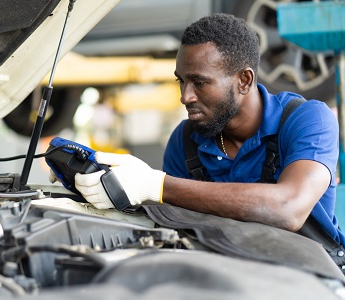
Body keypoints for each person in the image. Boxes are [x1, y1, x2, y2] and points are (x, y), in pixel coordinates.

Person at [68, 13, 344, 247]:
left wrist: (155, 185)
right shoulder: (186, 139)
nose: (185, 96)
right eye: (182, 81)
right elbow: (175, 228)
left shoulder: (308, 120)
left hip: (313, 281)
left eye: (199, 82)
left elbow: (289, 209)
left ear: (244, 80)